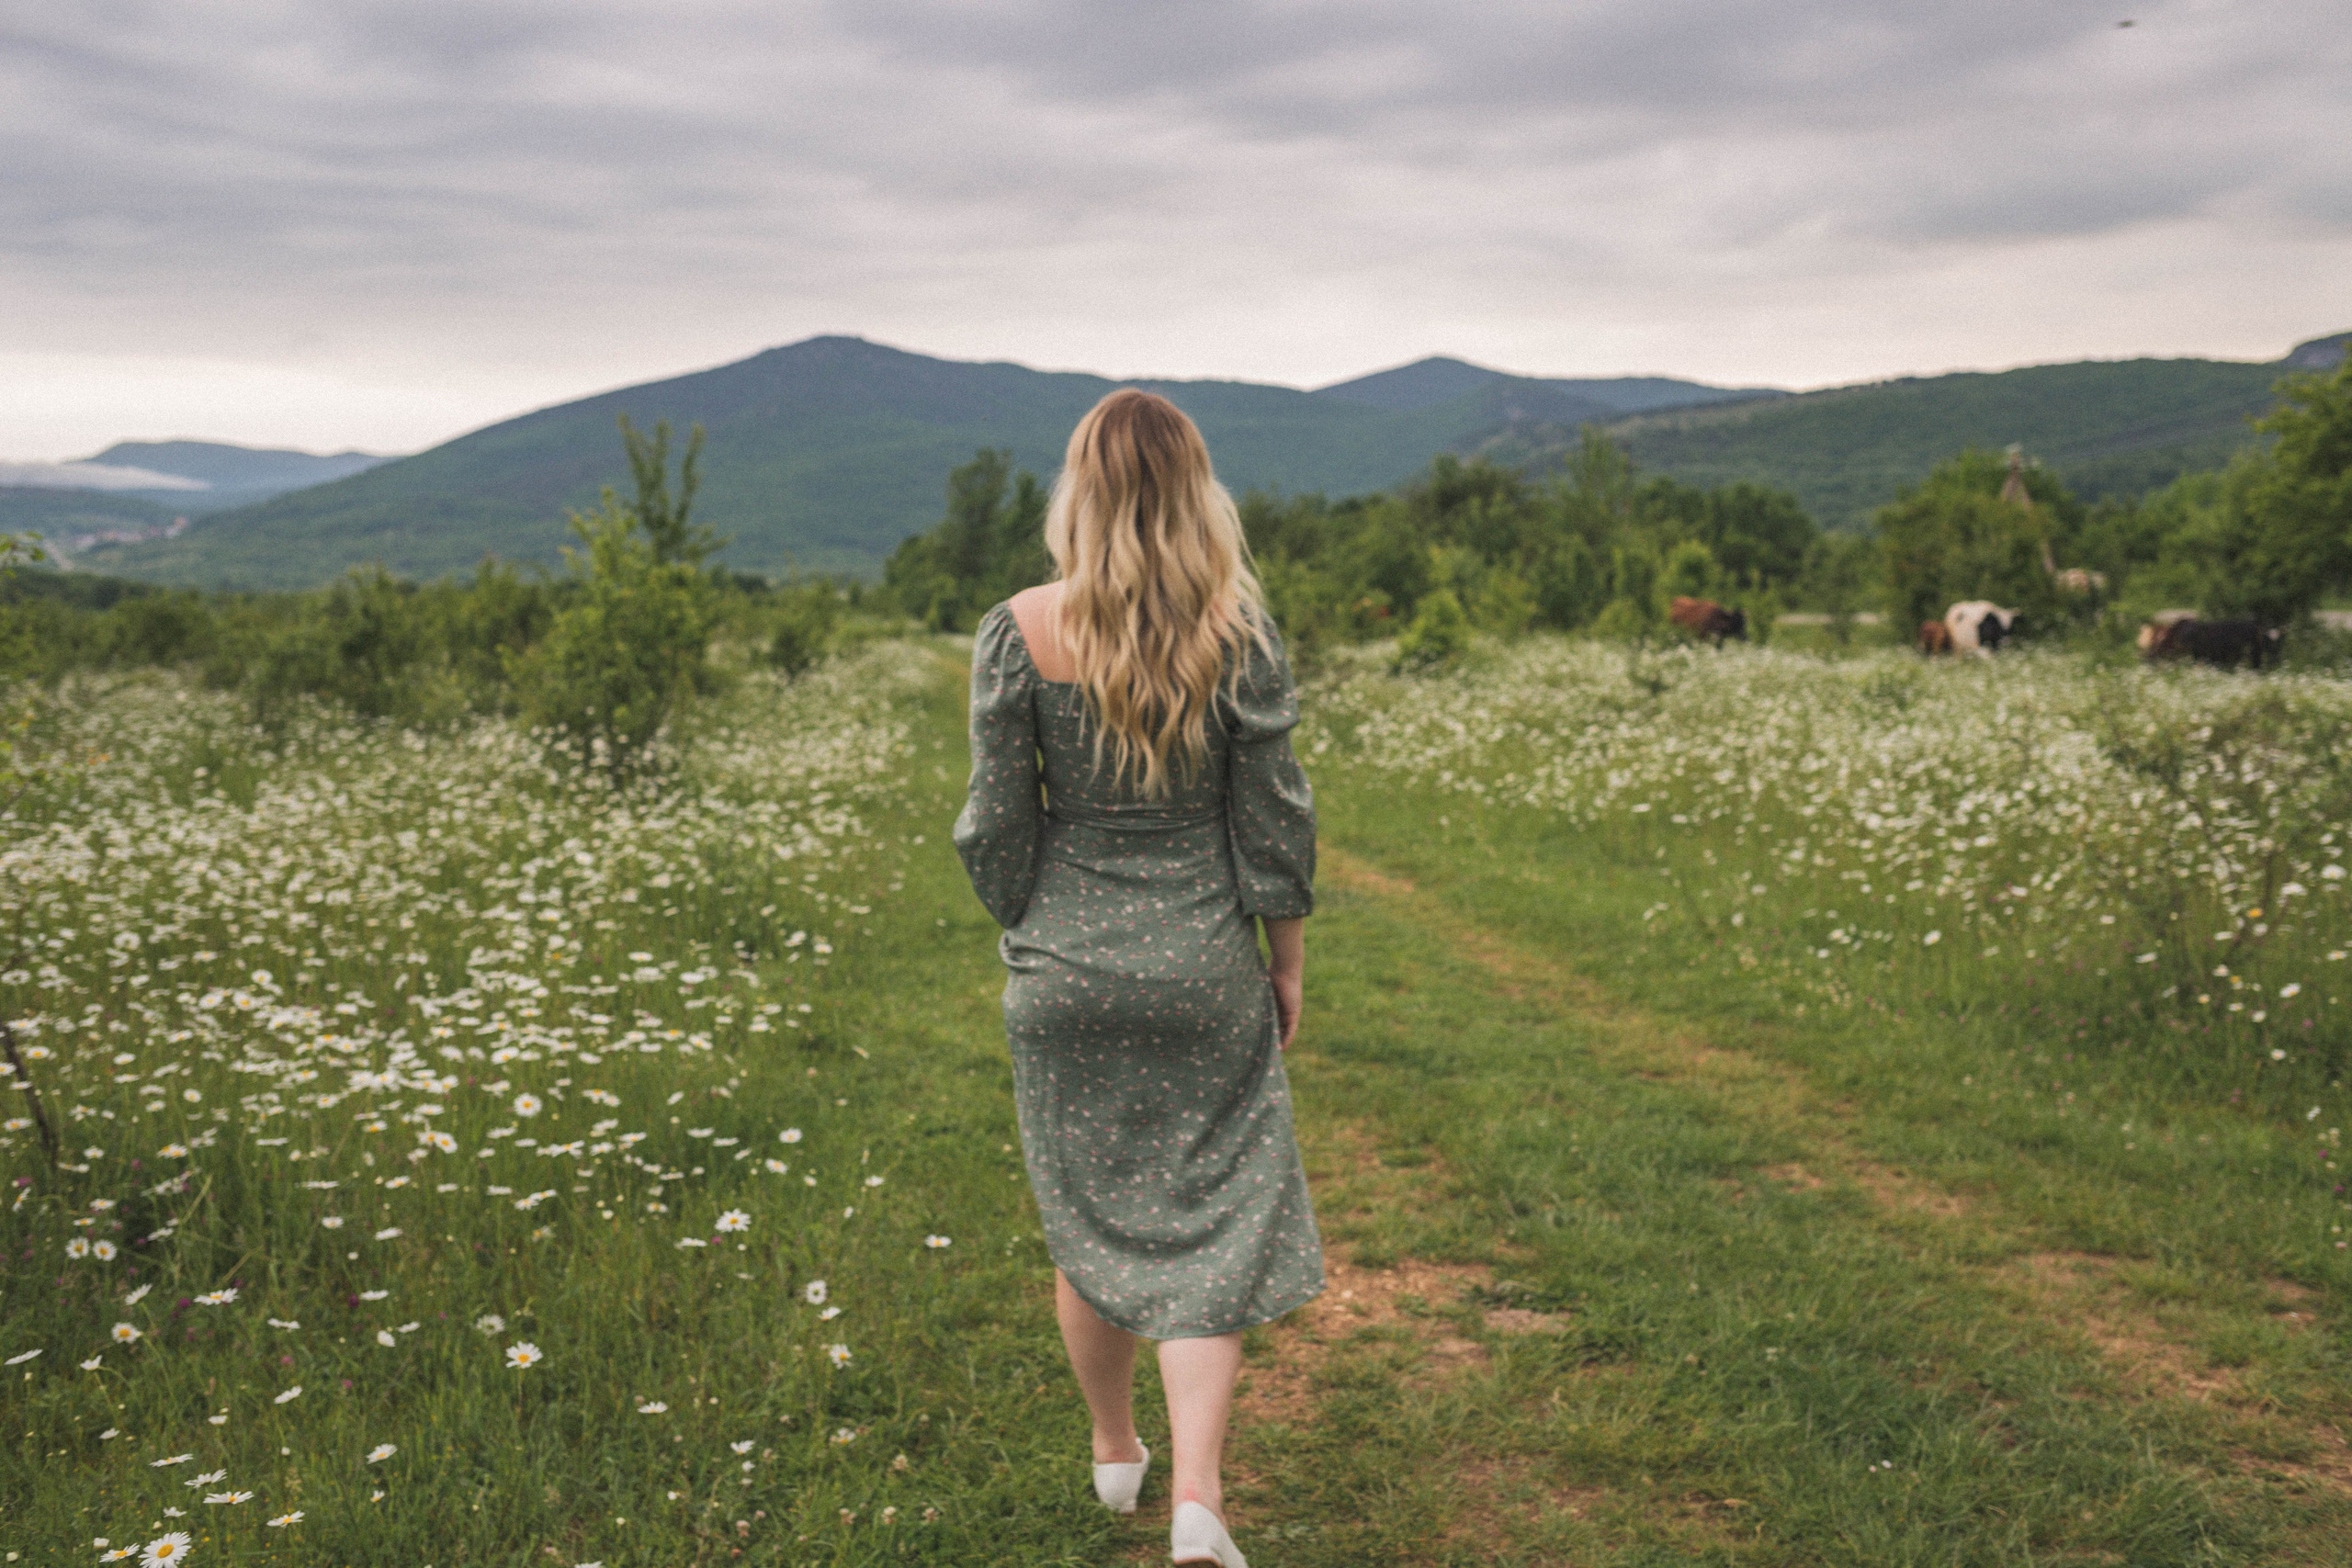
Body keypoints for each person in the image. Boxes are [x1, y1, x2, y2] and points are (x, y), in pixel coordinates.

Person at [955, 389, 1322, 1568]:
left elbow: (995, 825)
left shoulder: (1016, 628)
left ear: (1081, 492)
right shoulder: (1238, 633)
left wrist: (1033, 925)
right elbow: (1273, 820)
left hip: (1065, 974)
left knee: (1092, 1219)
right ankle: (1200, 1497)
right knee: (1208, 1225)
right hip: (1205, 974)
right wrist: (1284, 960)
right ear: (1193, 492)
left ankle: (1117, 1451)